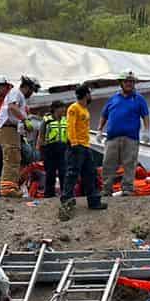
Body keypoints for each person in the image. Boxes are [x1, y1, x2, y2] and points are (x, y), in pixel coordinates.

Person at [99, 71, 150, 196]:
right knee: (108, 163)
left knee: (129, 163)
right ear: (121, 83)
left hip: (131, 138)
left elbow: (145, 116)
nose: (129, 84)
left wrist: (146, 131)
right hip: (112, 137)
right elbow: (104, 115)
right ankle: (106, 188)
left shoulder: (139, 99)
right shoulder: (113, 99)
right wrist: (99, 129)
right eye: (126, 81)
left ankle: (127, 188)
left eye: (131, 82)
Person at [60, 84, 105, 213]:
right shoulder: (74, 108)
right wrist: (74, 143)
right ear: (86, 95)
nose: (91, 96)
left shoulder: (84, 109)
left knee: (90, 173)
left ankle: (94, 201)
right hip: (77, 146)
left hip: (85, 146)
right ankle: (67, 200)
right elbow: (70, 126)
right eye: (89, 94)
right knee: (73, 173)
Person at [0, 75, 37, 197]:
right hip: (6, 129)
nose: (32, 93)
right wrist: (25, 120)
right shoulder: (15, 92)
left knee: (15, 159)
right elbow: (12, 107)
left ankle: (11, 187)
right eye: (32, 90)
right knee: (11, 159)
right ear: (27, 87)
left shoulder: (20, 97)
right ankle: (7, 189)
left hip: (11, 130)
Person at [41, 102, 68, 198]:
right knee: (50, 172)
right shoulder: (47, 120)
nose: (64, 110)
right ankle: (49, 194)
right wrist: (41, 149)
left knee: (63, 172)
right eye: (62, 108)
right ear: (56, 109)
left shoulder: (66, 120)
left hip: (63, 148)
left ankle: (65, 194)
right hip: (50, 148)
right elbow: (41, 135)